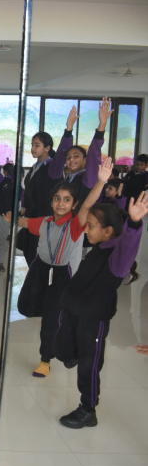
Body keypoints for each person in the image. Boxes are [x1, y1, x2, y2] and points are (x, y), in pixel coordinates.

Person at [54, 183, 148, 429]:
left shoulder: (117, 259)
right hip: (73, 311)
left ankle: (88, 409)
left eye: (91, 226)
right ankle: (72, 355)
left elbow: (128, 244)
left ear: (108, 232)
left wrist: (134, 223)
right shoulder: (99, 247)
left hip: (92, 319)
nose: (86, 229)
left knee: (89, 365)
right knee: (63, 351)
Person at [16, 158, 110, 378]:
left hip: (62, 276)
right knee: (25, 306)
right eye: (57, 198)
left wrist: (101, 182)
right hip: (40, 271)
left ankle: (45, 360)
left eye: (67, 200)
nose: (61, 203)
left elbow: (88, 205)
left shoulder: (76, 225)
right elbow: (25, 222)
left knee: (49, 321)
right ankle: (59, 319)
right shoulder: (44, 222)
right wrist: (11, 218)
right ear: (51, 202)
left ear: (74, 205)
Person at [18, 128, 66, 266]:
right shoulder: (35, 167)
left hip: (44, 219)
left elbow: (63, 152)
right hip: (31, 217)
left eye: (37, 145)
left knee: (38, 257)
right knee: (29, 252)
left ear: (47, 148)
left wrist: (68, 130)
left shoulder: (53, 168)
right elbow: (29, 191)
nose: (33, 149)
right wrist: (24, 206)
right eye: (32, 145)